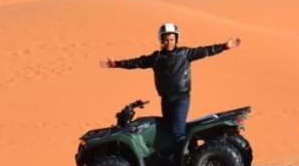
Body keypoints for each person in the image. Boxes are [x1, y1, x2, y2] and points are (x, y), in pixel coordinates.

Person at [100, 23, 241, 156]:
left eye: (172, 39)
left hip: (181, 99)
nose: (169, 42)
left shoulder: (185, 53)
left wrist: (224, 46)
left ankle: (186, 162)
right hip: (166, 100)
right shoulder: (156, 58)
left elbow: (205, 51)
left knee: (178, 132)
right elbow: (137, 62)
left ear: (176, 39)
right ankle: (181, 154)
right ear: (161, 40)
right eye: (166, 40)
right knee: (168, 130)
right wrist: (116, 64)